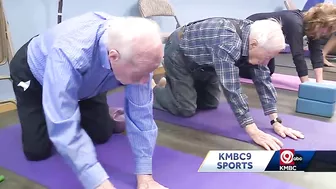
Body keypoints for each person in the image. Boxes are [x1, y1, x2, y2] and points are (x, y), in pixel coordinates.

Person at [9, 12, 167, 189]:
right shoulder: (69, 53)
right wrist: (100, 184)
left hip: (86, 82)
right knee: (37, 151)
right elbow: (64, 126)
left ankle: (83, 104)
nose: (146, 82)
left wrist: (146, 178)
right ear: (113, 57)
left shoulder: (139, 53)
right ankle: (49, 105)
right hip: (36, 74)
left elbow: (142, 115)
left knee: (101, 134)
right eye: (141, 75)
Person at [152, 17, 304, 151]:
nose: (267, 62)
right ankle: (155, 90)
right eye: (267, 56)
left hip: (205, 62)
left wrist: (275, 121)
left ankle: (174, 86)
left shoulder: (254, 37)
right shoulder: (228, 42)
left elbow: (264, 81)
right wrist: (253, 131)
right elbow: (232, 90)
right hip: (179, 53)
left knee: (209, 103)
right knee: (185, 108)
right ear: (253, 45)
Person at [242, 3, 336, 83]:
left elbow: (316, 53)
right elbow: (298, 55)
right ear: (319, 23)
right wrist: (306, 84)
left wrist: (320, 83)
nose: (327, 33)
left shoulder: (312, 27)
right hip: (250, 32)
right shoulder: (295, 23)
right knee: (253, 74)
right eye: (329, 28)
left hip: (264, 41)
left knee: (268, 72)